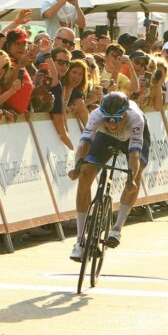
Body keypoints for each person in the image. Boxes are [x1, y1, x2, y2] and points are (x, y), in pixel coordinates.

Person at [67, 92, 150, 261]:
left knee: (137, 171)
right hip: (105, 138)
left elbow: (134, 155)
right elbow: (83, 144)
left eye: (117, 119)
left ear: (125, 114)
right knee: (85, 174)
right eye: (108, 119)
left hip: (130, 139)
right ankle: (79, 241)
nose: (112, 124)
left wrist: (131, 178)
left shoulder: (136, 120)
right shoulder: (96, 115)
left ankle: (117, 228)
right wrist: (77, 167)